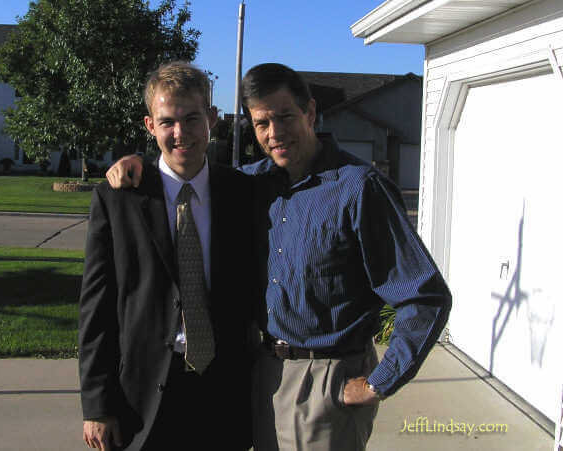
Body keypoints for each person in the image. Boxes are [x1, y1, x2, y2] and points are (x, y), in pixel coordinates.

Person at [106, 62, 452, 451]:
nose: (275, 133)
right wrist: (137, 163)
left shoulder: (359, 189)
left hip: (326, 379)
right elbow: (188, 166)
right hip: (262, 375)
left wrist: (378, 382)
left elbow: (424, 295)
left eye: (285, 116)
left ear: (310, 112)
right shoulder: (251, 184)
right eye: (261, 123)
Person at [79, 62, 254, 451]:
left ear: (212, 118)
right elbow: (97, 308)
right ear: (149, 125)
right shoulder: (119, 199)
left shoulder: (243, 193)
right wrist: (96, 404)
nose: (180, 133)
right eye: (167, 121)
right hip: (142, 398)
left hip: (224, 392)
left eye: (192, 119)